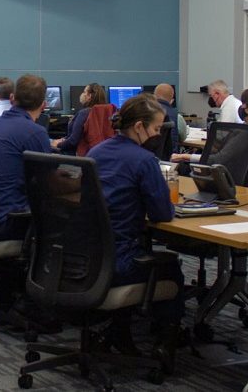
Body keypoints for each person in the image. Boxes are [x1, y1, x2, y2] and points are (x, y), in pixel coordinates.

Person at [86, 94, 182, 370]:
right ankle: (166, 347)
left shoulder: (96, 152)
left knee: (142, 250)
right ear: (139, 126)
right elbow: (164, 214)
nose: (157, 135)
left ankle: (121, 331)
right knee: (170, 268)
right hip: (118, 262)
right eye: (155, 129)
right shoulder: (144, 161)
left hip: (87, 256)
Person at [0, 74, 51, 242]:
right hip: (9, 224)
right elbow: (49, 184)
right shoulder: (36, 133)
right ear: (44, 105)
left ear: (12, 99)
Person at [53, 83, 107, 154]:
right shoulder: (105, 112)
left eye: (84, 92)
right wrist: (63, 139)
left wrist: (58, 144)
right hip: (97, 152)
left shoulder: (84, 113)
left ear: (89, 96)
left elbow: (73, 141)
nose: (82, 94)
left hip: (78, 153)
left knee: (47, 142)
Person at [152, 83, 186, 153]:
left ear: (153, 97)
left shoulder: (146, 113)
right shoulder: (177, 116)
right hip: (171, 159)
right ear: (171, 100)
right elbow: (182, 138)